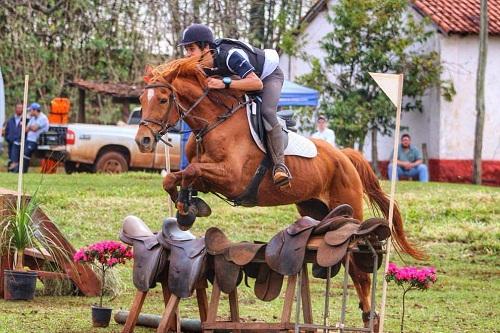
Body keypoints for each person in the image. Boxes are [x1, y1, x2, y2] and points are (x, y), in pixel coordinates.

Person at [178, 23, 291, 187]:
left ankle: (280, 165)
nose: (187, 54)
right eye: (186, 49)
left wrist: (224, 83)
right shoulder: (201, 66)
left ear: (205, 47)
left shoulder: (231, 55)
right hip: (242, 79)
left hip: (267, 76)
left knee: (266, 111)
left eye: (191, 49)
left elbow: (256, 84)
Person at [10, 102, 49, 173]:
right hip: (29, 140)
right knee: (17, 146)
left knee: (25, 154)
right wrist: (30, 127)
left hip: (37, 141)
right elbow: (26, 129)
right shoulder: (33, 118)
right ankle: (16, 168)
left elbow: (34, 128)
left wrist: (29, 127)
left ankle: (21, 171)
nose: (30, 112)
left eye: (31, 110)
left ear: (35, 110)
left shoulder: (43, 118)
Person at [2, 103, 24, 167]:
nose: (19, 109)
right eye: (18, 108)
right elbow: (5, 129)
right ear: (15, 109)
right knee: (10, 158)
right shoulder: (10, 119)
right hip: (10, 141)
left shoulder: (25, 119)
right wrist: (7, 137)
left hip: (19, 142)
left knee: (16, 159)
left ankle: (15, 171)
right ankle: (10, 171)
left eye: (21, 108)